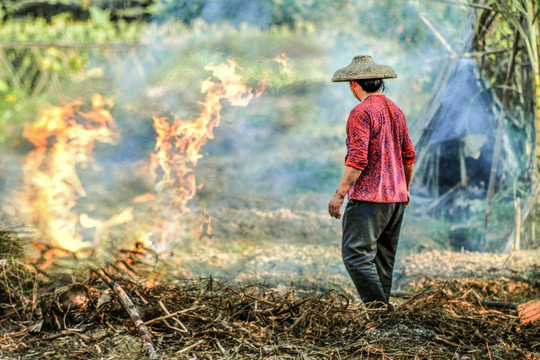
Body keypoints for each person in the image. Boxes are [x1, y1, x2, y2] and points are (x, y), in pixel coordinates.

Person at [328, 55, 416, 308]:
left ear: (354, 83)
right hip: (397, 199)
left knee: (356, 255)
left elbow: (357, 159)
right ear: (378, 83)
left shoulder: (361, 112)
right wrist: (405, 189)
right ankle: (382, 320)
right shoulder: (396, 111)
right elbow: (409, 156)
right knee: (382, 260)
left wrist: (339, 194)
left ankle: (379, 312)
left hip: (369, 200)